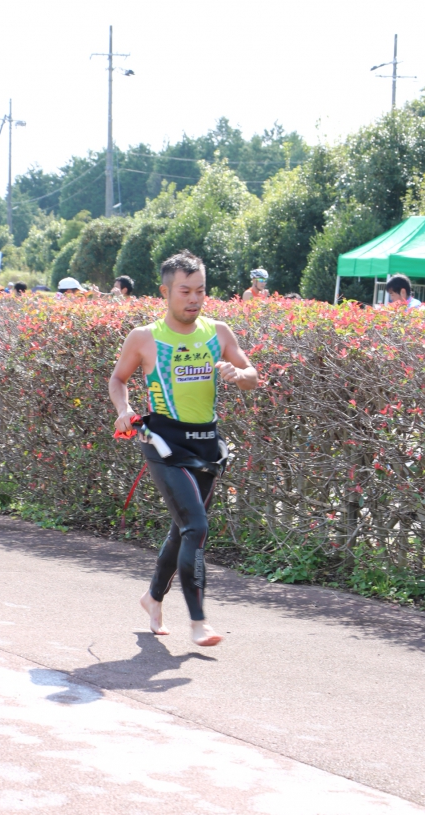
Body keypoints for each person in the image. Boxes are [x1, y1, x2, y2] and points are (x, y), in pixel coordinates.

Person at [109, 250, 258, 647]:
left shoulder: (218, 332)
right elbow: (118, 379)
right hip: (164, 443)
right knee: (196, 526)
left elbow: (252, 375)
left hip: (207, 444)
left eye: (200, 291)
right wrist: (124, 410)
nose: (194, 299)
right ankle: (198, 621)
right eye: (185, 291)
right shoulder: (144, 337)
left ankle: (152, 598)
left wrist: (238, 373)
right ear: (165, 292)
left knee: (183, 529)